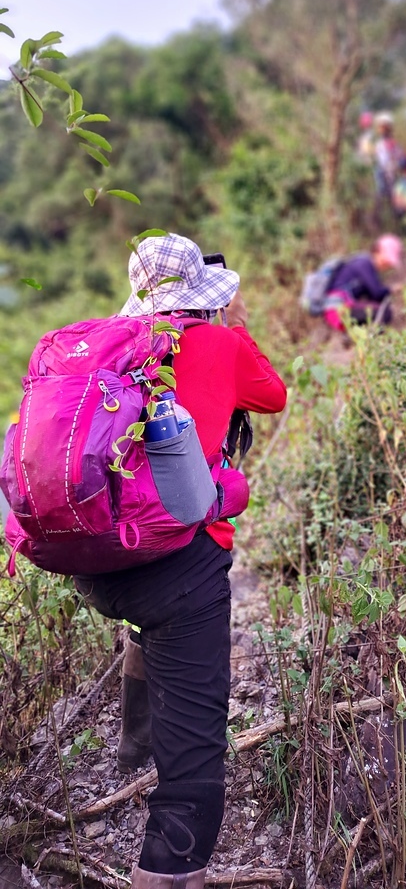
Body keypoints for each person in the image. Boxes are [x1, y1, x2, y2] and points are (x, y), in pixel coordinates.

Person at [74, 233, 287, 889]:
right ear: (200, 294)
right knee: (194, 775)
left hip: (96, 563)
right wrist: (233, 326)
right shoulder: (219, 343)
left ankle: (133, 747)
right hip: (180, 571)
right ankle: (168, 869)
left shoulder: (98, 345)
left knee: (147, 621)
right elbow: (272, 395)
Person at [322, 234, 403, 334]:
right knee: (384, 313)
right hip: (338, 310)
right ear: (377, 250)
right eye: (387, 260)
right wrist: (391, 289)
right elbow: (377, 293)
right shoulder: (365, 263)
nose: (387, 265)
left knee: (377, 309)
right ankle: (370, 340)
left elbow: (374, 297)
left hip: (338, 310)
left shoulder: (364, 263)